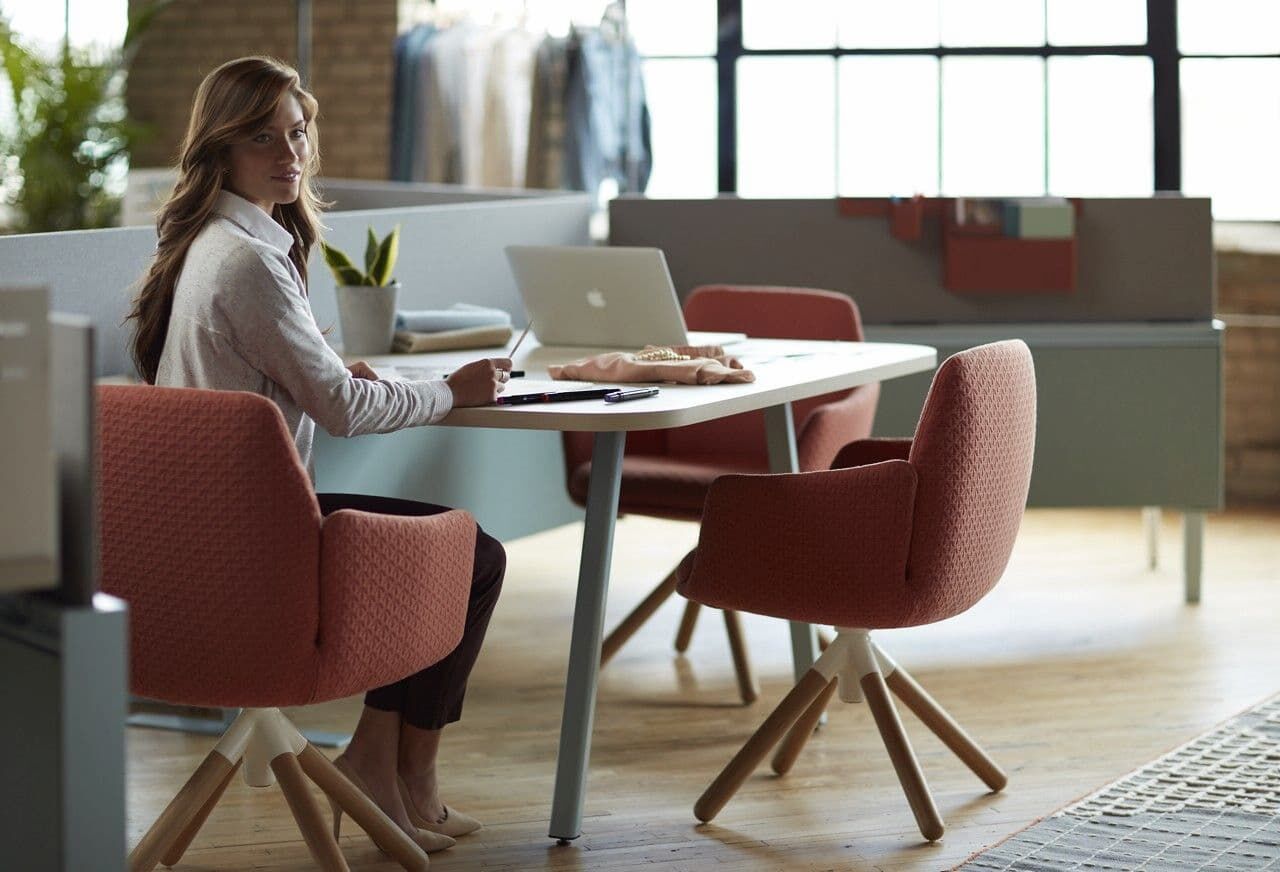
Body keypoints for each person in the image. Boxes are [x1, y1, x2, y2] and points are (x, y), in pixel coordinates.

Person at [126, 56, 507, 852]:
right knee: (471, 554)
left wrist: (325, 371)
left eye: (297, 133)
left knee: (446, 548)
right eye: (263, 137)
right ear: (222, 150)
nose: (290, 153)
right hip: (257, 556)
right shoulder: (249, 262)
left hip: (191, 544)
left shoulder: (213, 242)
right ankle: (405, 773)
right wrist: (455, 389)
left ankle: (384, 766)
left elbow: (293, 383)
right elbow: (342, 411)